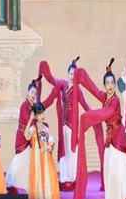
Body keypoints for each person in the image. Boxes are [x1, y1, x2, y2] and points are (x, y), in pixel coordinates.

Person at [72, 59, 126, 199]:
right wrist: (82, 76)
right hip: (110, 137)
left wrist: (87, 117)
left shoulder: (115, 101)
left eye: (112, 83)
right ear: (105, 85)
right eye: (107, 83)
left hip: (118, 137)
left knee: (118, 169)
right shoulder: (105, 97)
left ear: (115, 85)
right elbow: (93, 89)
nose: (110, 86)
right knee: (109, 169)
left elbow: (105, 113)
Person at [38, 58, 104, 189]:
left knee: (72, 150)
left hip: (72, 125)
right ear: (68, 74)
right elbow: (52, 80)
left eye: (75, 74)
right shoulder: (63, 85)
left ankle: (72, 177)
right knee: (64, 150)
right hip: (63, 124)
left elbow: (85, 104)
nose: (73, 77)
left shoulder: (77, 90)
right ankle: (64, 176)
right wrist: (45, 70)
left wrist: (95, 115)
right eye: (71, 74)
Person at [5, 76, 50, 191]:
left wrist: (43, 125)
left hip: (30, 136)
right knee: (20, 161)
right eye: (32, 92)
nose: (33, 95)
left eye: (35, 93)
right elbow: (29, 122)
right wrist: (40, 126)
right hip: (22, 136)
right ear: (28, 92)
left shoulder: (33, 106)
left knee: (27, 162)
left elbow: (35, 121)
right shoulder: (24, 106)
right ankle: (10, 183)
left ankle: (25, 185)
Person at [26, 102, 61, 199]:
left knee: (50, 174)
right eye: (40, 114)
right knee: (37, 175)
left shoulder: (46, 128)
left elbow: (52, 141)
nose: (42, 116)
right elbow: (27, 136)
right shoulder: (33, 128)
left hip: (45, 155)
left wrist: (45, 148)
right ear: (36, 116)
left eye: (42, 113)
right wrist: (30, 120)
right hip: (36, 156)